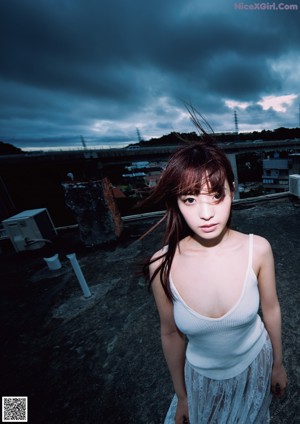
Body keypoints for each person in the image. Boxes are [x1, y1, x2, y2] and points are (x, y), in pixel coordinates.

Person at [143, 130, 287, 423]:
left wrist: (278, 364)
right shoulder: (161, 265)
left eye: (216, 195)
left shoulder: (257, 249)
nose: (206, 213)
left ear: (232, 190)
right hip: (201, 379)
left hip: (256, 364)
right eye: (191, 199)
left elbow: (270, 309)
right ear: (177, 203)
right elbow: (170, 333)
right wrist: (182, 397)